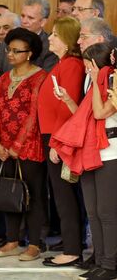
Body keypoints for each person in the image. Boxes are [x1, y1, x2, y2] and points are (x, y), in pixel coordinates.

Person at [56, 43, 117, 279]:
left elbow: (101, 113)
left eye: (87, 64)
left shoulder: (111, 83)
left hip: (111, 152)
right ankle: (100, 260)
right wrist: (70, 100)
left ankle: (110, 264)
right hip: (91, 152)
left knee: (107, 212)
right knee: (93, 211)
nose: (84, 68)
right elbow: (83, 118)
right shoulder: (95, 85)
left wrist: (95, 83)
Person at [0, 28, 47, 261]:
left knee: (32, 195)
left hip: (28, 146)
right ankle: (11, 239)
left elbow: (34, 115)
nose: (10, 54)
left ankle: (33, 244)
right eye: (8, 50)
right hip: (1, 146)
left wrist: (17, 146)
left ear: (29, 53)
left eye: (16, 51)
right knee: (8, 192)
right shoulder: (4, 78)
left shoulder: (40, 77)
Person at [37, 16, 85, 267]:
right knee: (60, 194)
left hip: (59, 137)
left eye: (55, 34)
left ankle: (73, 249)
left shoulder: (72, 65)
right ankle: (71, 242)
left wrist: (57, 142)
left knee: (64, 194)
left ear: (66, 40)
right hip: (52, 135)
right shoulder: (61, 63)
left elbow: (69, 108)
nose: (50, 37)